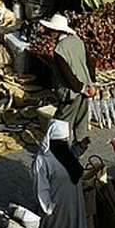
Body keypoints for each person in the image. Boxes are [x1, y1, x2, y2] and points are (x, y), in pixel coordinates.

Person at [33, 118, 87, 228]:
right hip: (58, 203)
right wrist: (50, 207)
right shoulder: (42, 160)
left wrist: (80, 148)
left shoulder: (63, 149)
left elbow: (71, 156)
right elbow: (40, 187)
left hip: (73, 201)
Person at [40, 13, 96, 149]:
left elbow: (67, 74)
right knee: (81, 120)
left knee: (61, 121)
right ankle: (81, 145)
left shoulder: (60, 50)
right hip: (85, 89)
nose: (49, 34)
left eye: (51, 31)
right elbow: (90, 63)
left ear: (57, 32)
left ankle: (59, 149)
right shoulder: (78, 41)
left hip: (72, 92)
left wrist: (80, 88)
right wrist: (91, 84)